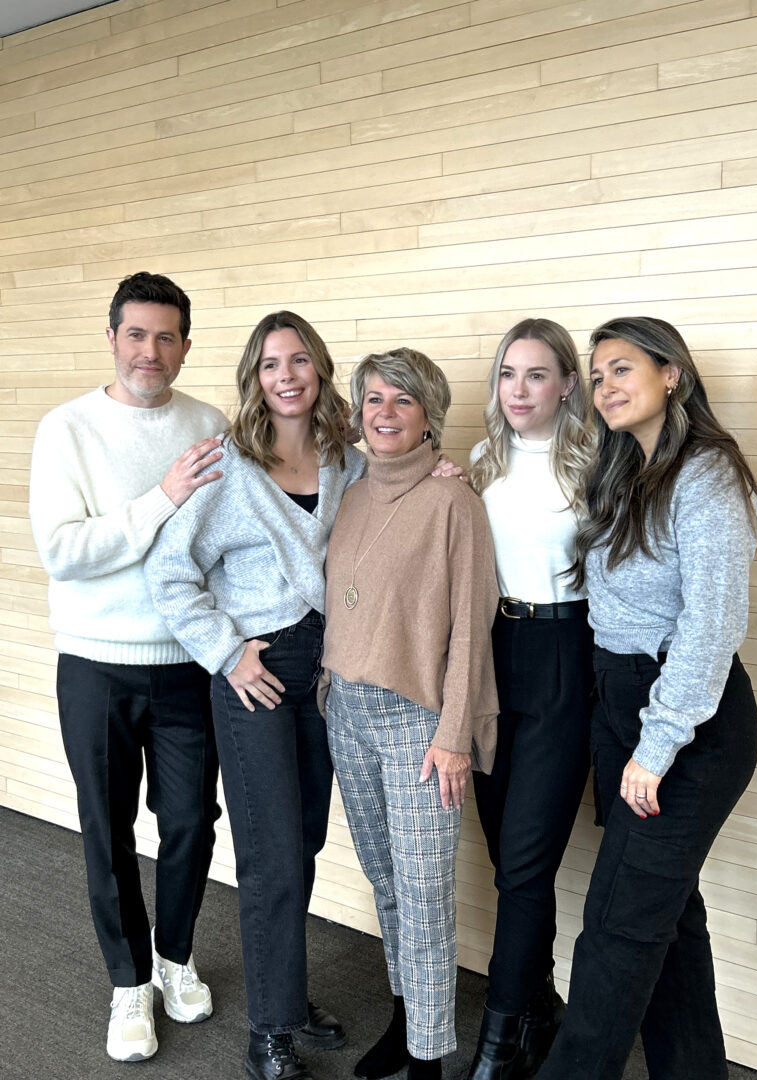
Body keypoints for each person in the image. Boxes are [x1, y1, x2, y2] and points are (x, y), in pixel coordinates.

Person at [538, 316, 757, 1080]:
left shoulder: (706, 474)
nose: (605, 387)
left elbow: (713, 625)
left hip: (687, 718)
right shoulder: (621, 469)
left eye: (622, 370)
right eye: (596, 376)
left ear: (672, 374)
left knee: (616, 925)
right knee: (667, 916)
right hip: (621, 699)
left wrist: (657, 744)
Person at [145, 311, 365, 1080]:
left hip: (330, 667)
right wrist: (227, 653)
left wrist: (439, 467)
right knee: (271, 854)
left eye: (299, 360)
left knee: (303, 841)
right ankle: (268, 1032)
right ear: (254, 378)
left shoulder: (351, 463)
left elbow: (394, 515)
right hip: (256, 671)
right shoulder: (228, 468)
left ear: (320, 369)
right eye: (271, 364)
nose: (286, 376)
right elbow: (169, 573)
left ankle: (288, 991)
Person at [29, 271, 227, 1062]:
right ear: (112, 337)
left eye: (167, 336)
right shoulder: (66, 429)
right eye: (137, 334)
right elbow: (66, 553)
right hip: (95, 665)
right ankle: (127, 982)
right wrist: (162, 498)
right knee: (107, 832)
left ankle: (174, 961)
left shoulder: (209, 422)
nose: (151, 350)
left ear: (185, 345)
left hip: (188, 666)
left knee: (189, 825)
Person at [321, 348, 500, 1080]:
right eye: (372, 400)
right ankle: (404, 1018)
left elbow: (470, 625)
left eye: (401, 400)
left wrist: (455, 734)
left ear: (429, 412)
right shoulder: (355, 491)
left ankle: (429, 1058)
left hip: (420, 723)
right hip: (347, 713)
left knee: (425, 891)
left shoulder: (454, 502)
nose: (384, 413)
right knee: (386, 882)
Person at [466, 319, 595, 1080]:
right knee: (505, 858)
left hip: (562, 658)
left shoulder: (596, 461)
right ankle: (537, 1004)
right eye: (509, 374)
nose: (519, 390)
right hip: (491, 654)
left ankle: (501, 1043)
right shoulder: (482, 462)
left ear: (567, 384)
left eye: (537, 375)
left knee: (522, 863)